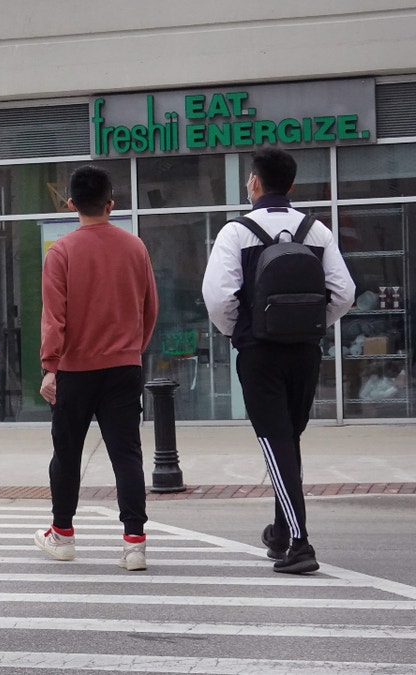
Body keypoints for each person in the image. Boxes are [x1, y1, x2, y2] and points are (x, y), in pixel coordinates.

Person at [202, 148, 354, 574]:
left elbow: (217, 297)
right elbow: (344, 293)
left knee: (275, 441)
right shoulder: (316, 231)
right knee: (287, 439)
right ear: (291, 186)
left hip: (260, 353)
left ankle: (300, 543)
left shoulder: (237, 232)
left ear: (253, 182)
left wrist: (240, 331)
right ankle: (281, 530)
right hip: (305, 351)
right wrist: (312, 324)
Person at [36, 165, 159, 571]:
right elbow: (149, 308)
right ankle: (134, 542)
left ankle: (63, 534)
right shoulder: (135, 247)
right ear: (111, 203)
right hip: (124, 366)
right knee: (126, 455)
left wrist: (50, 365)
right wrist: (132, 349)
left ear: (71, 203)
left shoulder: (61, 252)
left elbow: (55, 316)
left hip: (74, 368)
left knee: (66, 452)